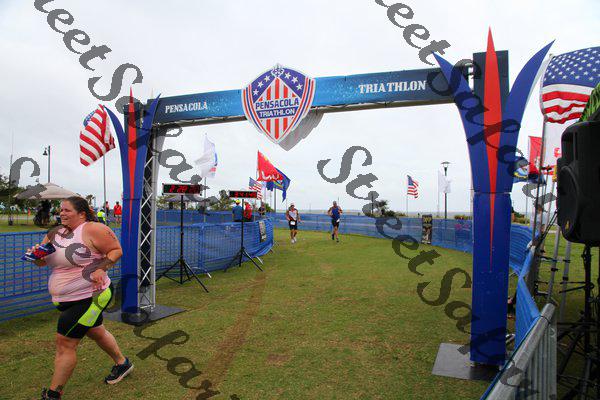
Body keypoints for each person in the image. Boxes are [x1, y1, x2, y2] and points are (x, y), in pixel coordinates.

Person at [26, 196, 132, 400]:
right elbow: (43, 262)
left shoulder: (93, 229)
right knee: (96, 332)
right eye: (61, 210)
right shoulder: (54, 233)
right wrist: (36, 257)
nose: (62, 213)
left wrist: (102, 268)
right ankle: (122, 363)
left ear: (81, 214)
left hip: (91, 296)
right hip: (65, 299)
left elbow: (116, 250)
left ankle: (53, 394)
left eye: (67, 210)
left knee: (65, 343)